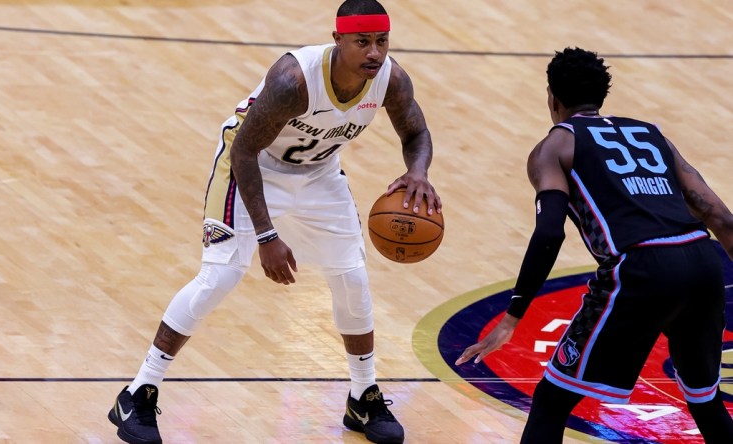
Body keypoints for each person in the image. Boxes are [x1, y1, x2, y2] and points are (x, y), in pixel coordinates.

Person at [107, 1, 441, 443]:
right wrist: (268, 235)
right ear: (337, 39)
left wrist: (417, 172)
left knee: (352, 277)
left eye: (381, 41)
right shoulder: (293, 80)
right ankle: (137, 392)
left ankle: (363, 397)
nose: (374, 53)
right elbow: (243, 151)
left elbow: (415, 132)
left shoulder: (390, 79)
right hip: (252, 165)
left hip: (319, 173)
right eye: (362, 42)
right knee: (221, 275)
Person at [456, 47, 733, 443]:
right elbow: (721, 218)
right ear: (602, 94)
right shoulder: (652, 135)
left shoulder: (554, 147)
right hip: (703, 260)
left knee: (552, 399)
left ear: (552, 97)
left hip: (642, 267)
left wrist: (514, 315)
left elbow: (550, 232)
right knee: (704, 401)